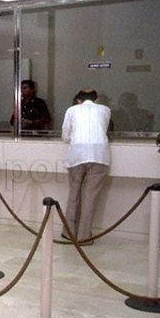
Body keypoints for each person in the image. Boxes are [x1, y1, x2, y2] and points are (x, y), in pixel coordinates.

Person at [62, 89, 111, 245]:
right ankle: (84, 237)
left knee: (74, 194)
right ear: (95, 99)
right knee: (90, 197)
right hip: (99, 155)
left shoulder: (72, 110)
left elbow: (65, 136)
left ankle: (68, 233)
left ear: (78, 99)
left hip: (77, 154)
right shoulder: (105, 110)